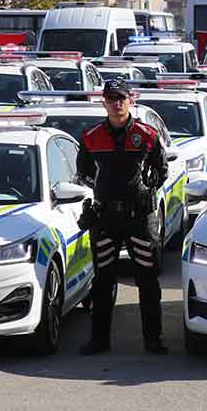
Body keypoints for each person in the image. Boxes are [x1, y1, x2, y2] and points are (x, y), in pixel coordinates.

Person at [76, 79, 169, 355]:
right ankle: (99, 340)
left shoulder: (147, 134)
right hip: (105, 218)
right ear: (104, 102)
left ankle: (153, 339)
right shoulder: (91, 136)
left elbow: (161, 170)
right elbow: (83, 171)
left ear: (131, 100)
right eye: (111, 98)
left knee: (148, 281)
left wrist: (147, 187)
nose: (116, 103)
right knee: (103, 280)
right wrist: (103, 188)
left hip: (140, 217)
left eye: (121, 98)